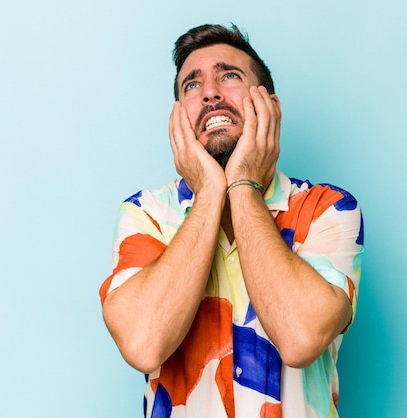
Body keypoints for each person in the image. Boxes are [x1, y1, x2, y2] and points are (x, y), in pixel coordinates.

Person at [99, 23, 364, 418]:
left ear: (270, 108)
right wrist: (209, 191)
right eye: (191, 85)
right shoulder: (146, 214)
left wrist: (242, 184)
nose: (209, 92)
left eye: (229, 75)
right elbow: (143, 344)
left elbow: (300, 338)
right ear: (179, 119)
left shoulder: (327, 208)